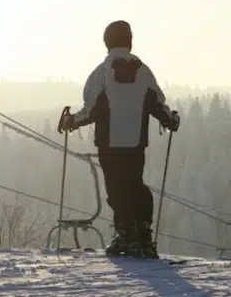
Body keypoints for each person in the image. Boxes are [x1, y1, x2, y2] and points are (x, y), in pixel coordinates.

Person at [60, 20, 180, 258]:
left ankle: (125, 234)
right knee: (135, 184)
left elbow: (90, 110)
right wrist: (170, 121)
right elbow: (158, 105)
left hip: (109, 142)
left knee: (116, 188)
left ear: (106, 42)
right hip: (136, 142)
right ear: (130, 41)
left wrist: (70, 121)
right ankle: (143, 233)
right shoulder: (144, 72)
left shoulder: (101, 73)